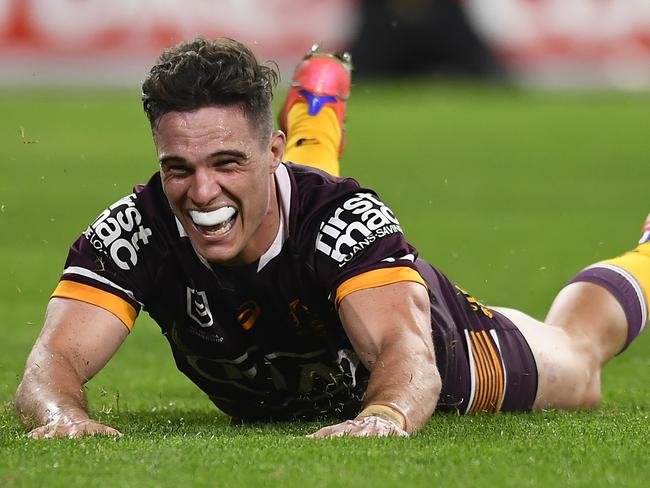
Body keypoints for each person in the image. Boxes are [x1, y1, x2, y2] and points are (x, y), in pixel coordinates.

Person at [14, 37, 649, 439]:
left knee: (581, 357)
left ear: (270, 152)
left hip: (444, 342)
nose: (200, 191)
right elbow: (49, 367)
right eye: (178, 168)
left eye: (226, 162)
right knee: (279, 206)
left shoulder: (346, 222)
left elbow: (409, 358)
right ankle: (313, 119)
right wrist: (61, 414)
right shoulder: (136, 228)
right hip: (309, 235)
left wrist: (381, 417)